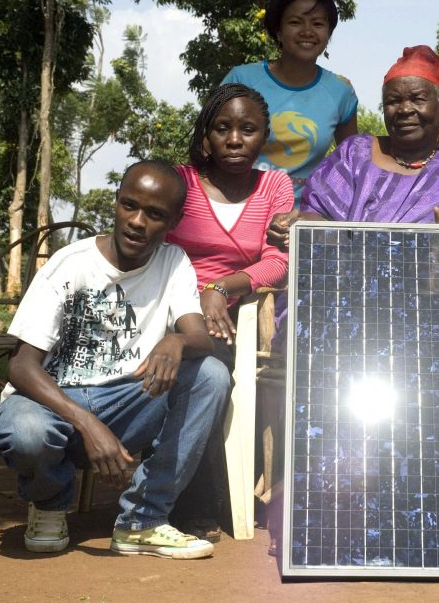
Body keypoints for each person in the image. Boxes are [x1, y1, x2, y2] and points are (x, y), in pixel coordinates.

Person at [0, 160, 232, 559]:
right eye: (129, 205)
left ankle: (143, 520)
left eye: (155, 214)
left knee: (211, 374)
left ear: (173, 222)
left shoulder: (173, 263)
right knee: (27, 432)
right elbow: (20, 365)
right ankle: (49, 505)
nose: (137, 221)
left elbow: (199, 339)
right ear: (116, 203)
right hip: (51, 403)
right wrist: (85, 422)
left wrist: (176, 341)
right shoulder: (70, 264)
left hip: (128, 401)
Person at [164, 83, 293, 541]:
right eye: (223, 128)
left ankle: (195, 499)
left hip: (233, 312)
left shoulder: (275, 184)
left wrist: (220, 287)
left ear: (263, 136)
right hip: (171, 303)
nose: (235, 139)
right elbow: (156, 247)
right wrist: (193, 295)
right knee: (190, 365)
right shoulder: (179, 181)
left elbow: (278, 260)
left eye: (247, 129)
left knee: (208, 368)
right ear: (206, 136)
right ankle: (185, 495)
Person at [268, 44, 439, 243]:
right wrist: (296, 224)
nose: (404, 109)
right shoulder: (354, 155)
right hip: (344, 290)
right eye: (393, 101)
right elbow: (318, 217)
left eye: (417, 99)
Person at [221, 0, 358, 205]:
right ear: (279, 31)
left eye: (318, 24)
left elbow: (351, 164)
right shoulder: (241, 79)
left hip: (302, 218)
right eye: (295, 22)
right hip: (238, 207)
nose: (307, 32)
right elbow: (207, 146)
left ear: (328, 33)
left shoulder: (340, 92)